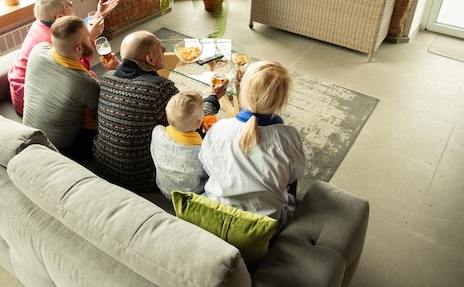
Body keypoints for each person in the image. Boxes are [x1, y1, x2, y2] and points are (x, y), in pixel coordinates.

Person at [93, 31, 226, 192]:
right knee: (201, 132)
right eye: (160, 47)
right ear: (149, 59)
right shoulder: (160, 88)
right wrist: (212, 98)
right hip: (140, 178)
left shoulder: (106, 78)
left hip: (103, 166)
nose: (164, 48)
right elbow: (189, 120)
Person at [199, 60, 306, 231]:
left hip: (215, 214)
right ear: (281, 101)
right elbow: (296, 173)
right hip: (262, 228)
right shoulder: (289, 137)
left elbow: (207, 165)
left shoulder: (219, 129)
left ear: (243, 92)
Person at [8, 0, 120, 115]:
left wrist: (99, 14)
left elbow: (77, 27)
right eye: (69, 5)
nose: (72, 8)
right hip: (27, 99)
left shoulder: (42, 23)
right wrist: (90, 40)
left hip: (18, 86)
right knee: (90, 80)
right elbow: (78, 71)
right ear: (59, 17)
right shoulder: (54, 41)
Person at [22, 15, 101, 160]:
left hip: (29, 133)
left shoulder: (37, 51)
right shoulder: (86, 83)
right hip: (61, 147)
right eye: (88, 37)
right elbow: (102, 117)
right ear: (79, 48)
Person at [150, 91, 208, 199]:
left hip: (164, 189)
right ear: (198, 123)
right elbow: (208, 172)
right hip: (189, 196)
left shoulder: (157, 132)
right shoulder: (202, 151)